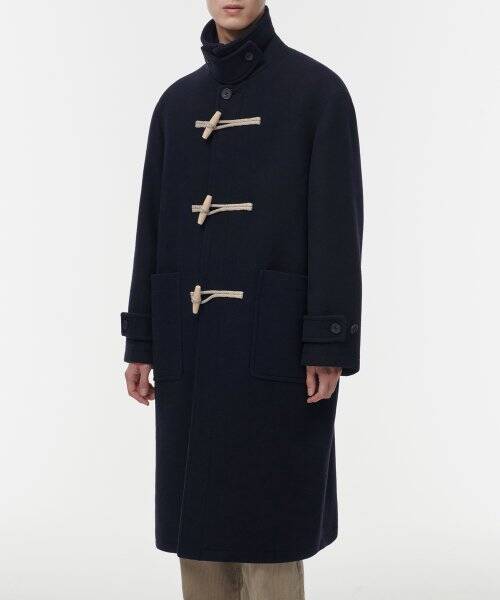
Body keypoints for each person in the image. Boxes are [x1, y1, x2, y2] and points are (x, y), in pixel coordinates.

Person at [121, 1, 363, 598]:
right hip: (189, 342)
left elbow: (338, 229)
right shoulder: (177, 104)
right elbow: (151, 226)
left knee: (271, 535)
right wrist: (142, 338)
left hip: (277, 344)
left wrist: (327, 341)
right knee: (198, 537)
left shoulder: (318, 93)